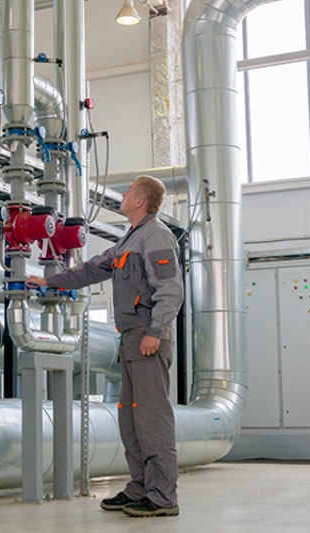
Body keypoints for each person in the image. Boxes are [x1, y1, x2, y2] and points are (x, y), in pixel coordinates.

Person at [26, 175, 183, 518]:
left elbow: (170, 289)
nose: (123, 195)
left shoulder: (156, 235)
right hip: (130, 337)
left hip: (146, 336)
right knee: (130, 416)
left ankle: (162, 496)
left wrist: (155, 332)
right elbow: (91, 270)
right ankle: (140, 486)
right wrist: (47, 281)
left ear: (140, 201)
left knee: (152, 417)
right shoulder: (131, 238)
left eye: (128, 192)